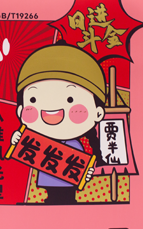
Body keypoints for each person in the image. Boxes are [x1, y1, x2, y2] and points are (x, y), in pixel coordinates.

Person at [11, 43, 106, 204]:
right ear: (20, 111)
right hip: (49, 181)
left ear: (98, 113)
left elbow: (82, 167)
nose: (51, 109)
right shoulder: (37, 142)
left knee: (68, 200)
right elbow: (25, 149)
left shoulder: (75, 145)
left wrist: (86, 174)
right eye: (34, 99)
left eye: (70, 99)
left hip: (70, 185)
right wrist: (17, 140)